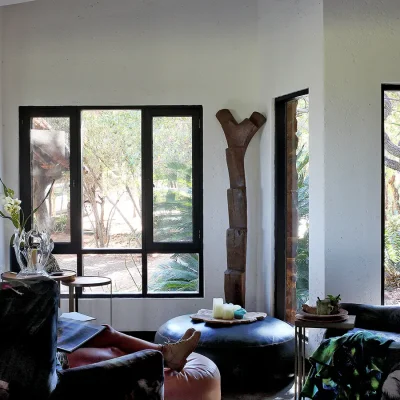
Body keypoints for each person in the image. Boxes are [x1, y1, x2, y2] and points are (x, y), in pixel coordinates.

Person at [58, 325, 201, 373]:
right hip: (50, 357)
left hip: (50, 340)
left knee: (106, 332)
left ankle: (166, 353)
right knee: (114, 352)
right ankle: (167, 355)